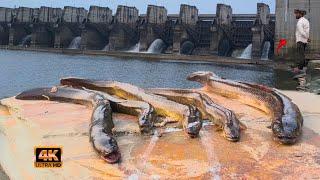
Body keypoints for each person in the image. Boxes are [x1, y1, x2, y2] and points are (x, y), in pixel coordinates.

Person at [293, 9, 310, 73]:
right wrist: (307, 38)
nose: (296, 15)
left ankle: (299, 68)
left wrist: (307, 37)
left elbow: (301, 31)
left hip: (300, 40)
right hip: (304, 40)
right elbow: (307, 31)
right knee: (302, 54)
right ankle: (302, 67)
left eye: (297, 14)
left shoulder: (300, 22)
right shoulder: (306, 21)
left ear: (300, 14)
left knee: (300, 54)